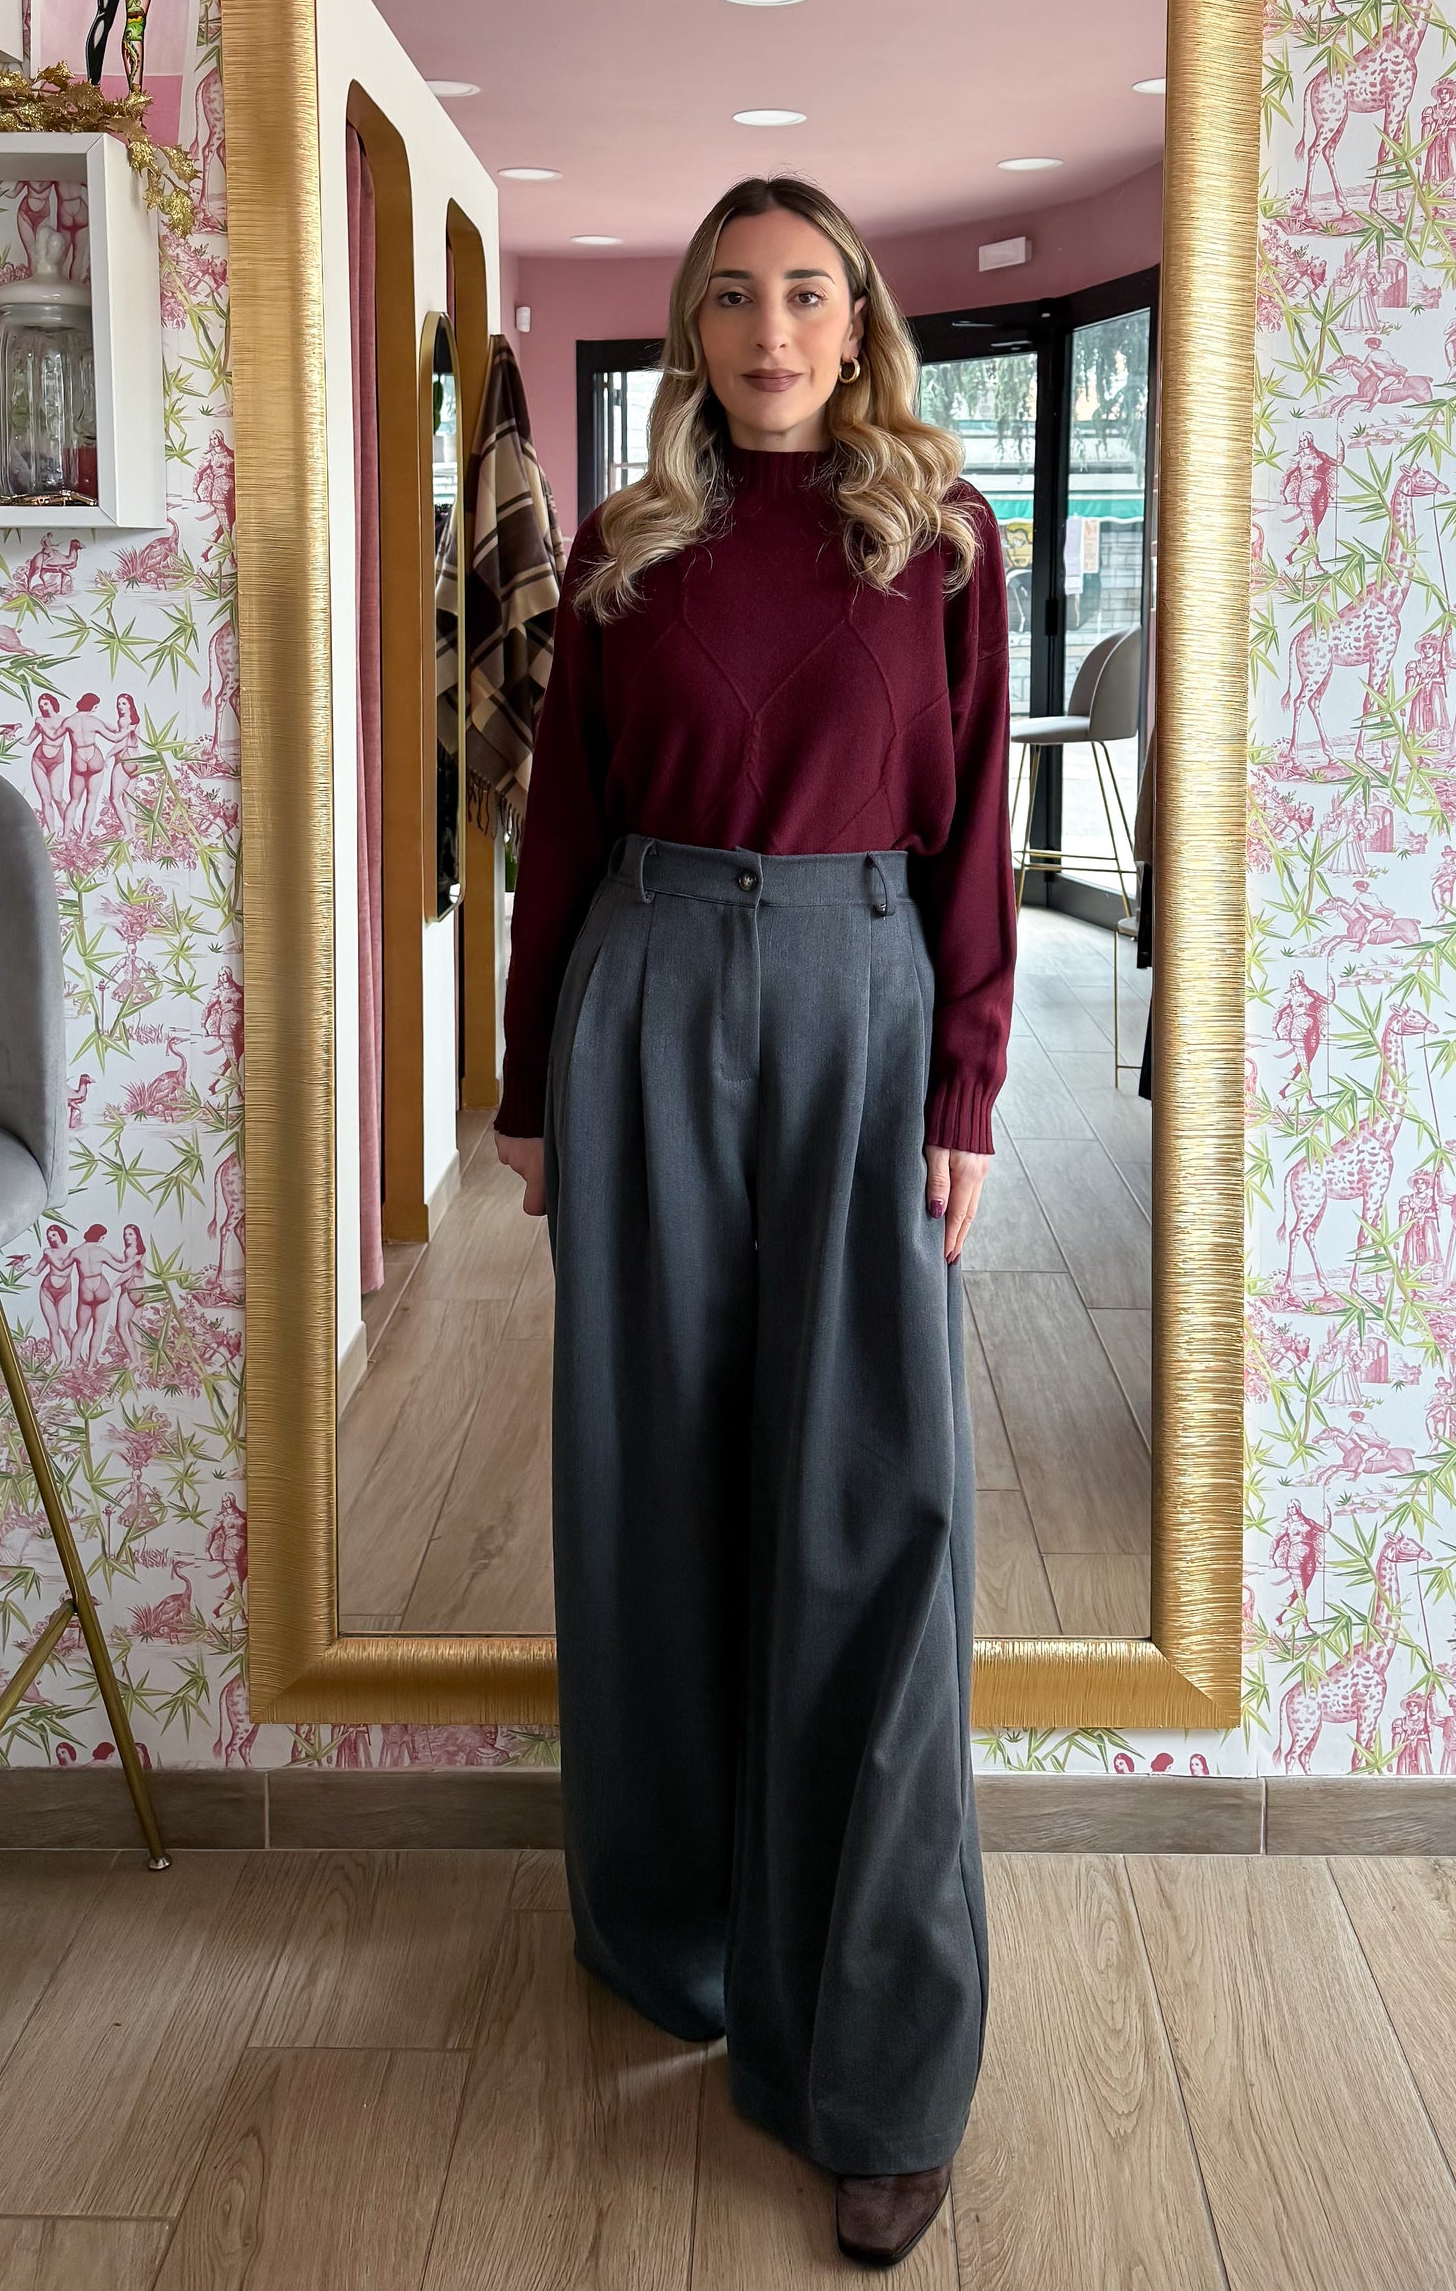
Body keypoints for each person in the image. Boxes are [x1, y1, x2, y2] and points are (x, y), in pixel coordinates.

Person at [491, 175, 1014, 2271]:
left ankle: (876, 2055)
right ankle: (671, 1930)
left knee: (876, 1513)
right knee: (649, 1483)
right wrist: (530, 1086)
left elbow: (975, 834)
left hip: (862, 1009)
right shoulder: (629, 549)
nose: (771, 330)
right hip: (641, 1005)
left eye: (806, 293)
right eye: (731, 297)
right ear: (692, 333)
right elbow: (560, 825)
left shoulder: (939, 537)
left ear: (857, 319)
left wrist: (966, 1079)